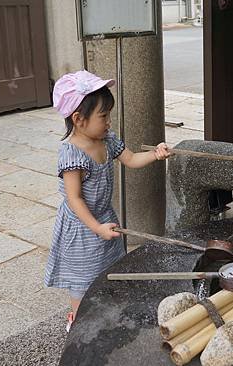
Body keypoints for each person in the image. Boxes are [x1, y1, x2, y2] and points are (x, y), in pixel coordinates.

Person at [44, 70, 170, 332]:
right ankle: (78, 325)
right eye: (103, 116)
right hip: (82, 227)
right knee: (83, 280)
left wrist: (156, 155)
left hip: (104, 217)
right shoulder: (72, 155)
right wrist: (96, 228)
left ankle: (105, 313)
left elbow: (133, 160)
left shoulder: (107, 141)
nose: (109, 122)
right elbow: (75, 199)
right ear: (78, 119)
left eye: (109, 115)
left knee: (108, 269)